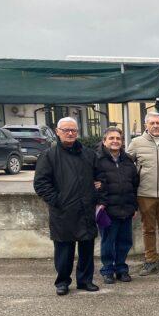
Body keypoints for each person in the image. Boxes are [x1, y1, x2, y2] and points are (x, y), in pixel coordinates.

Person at [33, 117, 99, 295]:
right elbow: (41, 184)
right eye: (66, 130)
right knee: (64, 251)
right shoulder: (49, 155)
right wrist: (57, 201)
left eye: (73, 130)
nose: (70, 133)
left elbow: (99, 177)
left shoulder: (89, 154)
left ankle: (85, 280)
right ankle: (62, 282)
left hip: (86, 209)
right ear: (57, 131)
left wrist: (96, 194)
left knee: (86, 249)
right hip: (63, 212)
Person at [127, 112, 159, 275]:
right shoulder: (136, 143)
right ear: (146, 126)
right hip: (145, 193)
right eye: (152, 123)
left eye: (158, 123)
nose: (155, 126)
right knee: (148, 229)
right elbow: (126, 166)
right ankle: (150, 259)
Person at [95, 127, 139, 284]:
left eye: (118, 139)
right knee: (108, 242)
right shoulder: (97, 160)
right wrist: (100, 203)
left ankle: (121, 269)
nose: (115, 141)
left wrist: (134, 207)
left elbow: (134, 185)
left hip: (126, 208)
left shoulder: (127, 160)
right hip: (107, 210)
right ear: (104, 141)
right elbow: (93, 184)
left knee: (125, 242)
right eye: (111, 138)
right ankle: (107, 270)